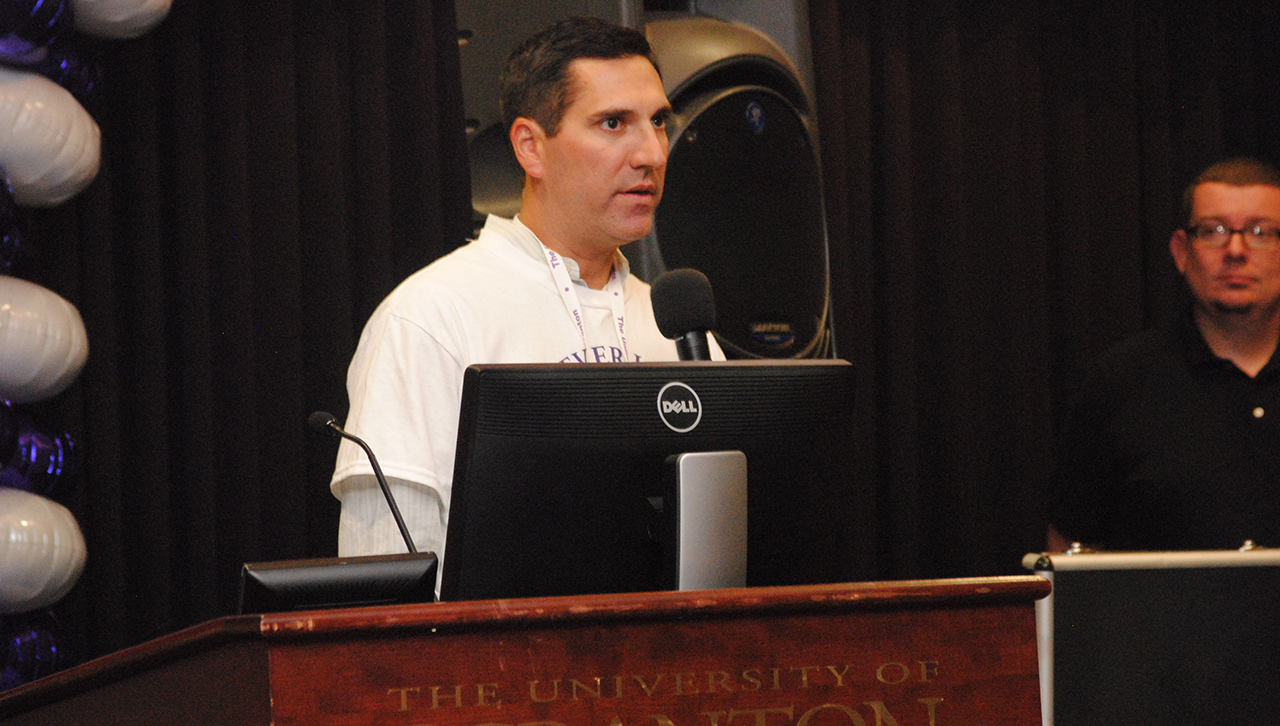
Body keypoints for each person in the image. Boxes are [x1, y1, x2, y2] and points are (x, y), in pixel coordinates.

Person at [328, 17, 720, 566]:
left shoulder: (681, 330)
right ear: (531, 147)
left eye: (657, 122)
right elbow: (386, 589)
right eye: (613, 123)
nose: (652, 154)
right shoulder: (432, 317)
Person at [1048, 157, 1280, 551]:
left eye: (1260, 232)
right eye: (1213, 231)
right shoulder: (1121, 381)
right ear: (1181, 252)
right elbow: (1072, 548)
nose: (1235, 250)